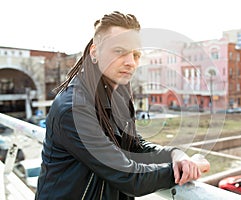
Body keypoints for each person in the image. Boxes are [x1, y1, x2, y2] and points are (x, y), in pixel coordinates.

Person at [35, 11, 210, 200]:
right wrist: (190, 168)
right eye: (119, 51)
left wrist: (175, 155)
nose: (131, 62)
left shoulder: (117, 95)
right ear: (94, 52)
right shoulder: (73, 108)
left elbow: (135, 146)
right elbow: (129, 177)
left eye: (136, 54)